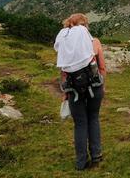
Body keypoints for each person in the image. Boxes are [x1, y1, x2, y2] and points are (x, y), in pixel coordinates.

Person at [54, 13, 106, 170]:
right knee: (93, 118)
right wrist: (103, 86)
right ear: (85, 25)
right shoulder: (94, 42)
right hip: (94, 87)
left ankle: (81, 162)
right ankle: (96, 156)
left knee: (80, 124)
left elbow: (64, 71)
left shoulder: (64, 42)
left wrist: (65, 92)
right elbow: (102, 66)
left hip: (74, 90)